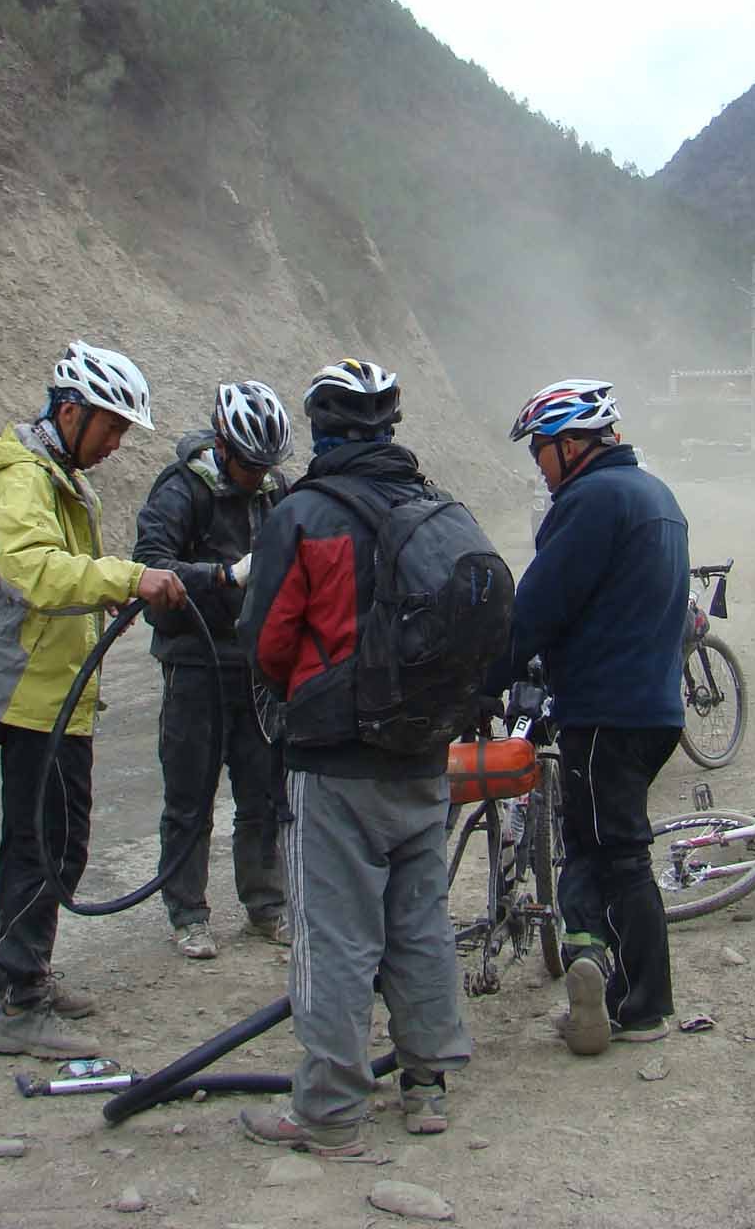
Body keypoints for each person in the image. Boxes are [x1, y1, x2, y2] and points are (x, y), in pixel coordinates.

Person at [0, 340, 187, 1060]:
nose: (118, 444)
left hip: (51, 691)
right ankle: (21, 1000)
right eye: (112, 427)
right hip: (32, 694)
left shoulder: (51, 474)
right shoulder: (26, 479)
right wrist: (129, 578)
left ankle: (14, 964)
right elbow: (32, 570)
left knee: (51, 837)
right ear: (70, 412)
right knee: (46, 842)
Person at [234, 358, 472, 1158]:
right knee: (420, 924)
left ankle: (330, 1113)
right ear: (389, 429)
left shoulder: (303, 514)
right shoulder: (438, 508)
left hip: (336, 764)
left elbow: (266, 642)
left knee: (334, 936)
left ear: (322, 431)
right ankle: (428, 1085)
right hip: (425, 755)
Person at [498, 377, 689, 1053]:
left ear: (573, 445)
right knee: (596, 840)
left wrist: (494, 672)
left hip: (607, 710)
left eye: (541, 452)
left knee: (619, 854)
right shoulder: (656, 496)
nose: (540, 467)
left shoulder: (591, 500)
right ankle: (600, 972)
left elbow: (537, 607)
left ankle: (641, 1004)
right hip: (657, 707)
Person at [133, 380, 296, 960]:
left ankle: (266, 904)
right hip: (195, 663)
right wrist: (223, 576)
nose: (258, 474)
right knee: (190, 793)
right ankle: (189, 912)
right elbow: (149, 567)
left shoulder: (276, 490)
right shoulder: (181, 490)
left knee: (263, 792)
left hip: (255, 668)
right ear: (224, 446)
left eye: (267, 464)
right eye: (250, 463)